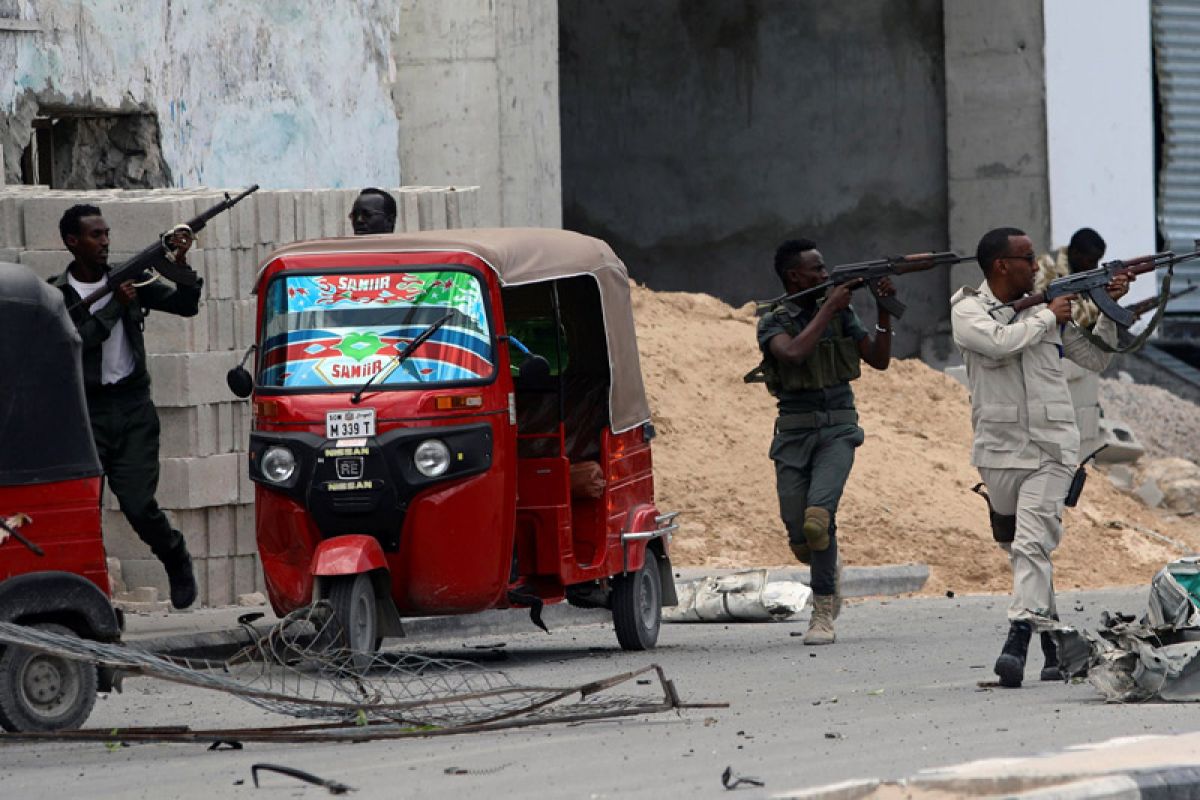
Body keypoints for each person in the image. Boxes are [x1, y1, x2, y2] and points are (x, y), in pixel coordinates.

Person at [950, 227, 1129, 687]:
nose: (1037, 266)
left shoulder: (1049, 315)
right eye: (1027, 259)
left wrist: (1110, 309)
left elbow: (1095, 359)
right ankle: (1054, 644)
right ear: (1000, 267)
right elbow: (998, 342)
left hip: (1052, 448)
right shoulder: (968, 310)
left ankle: (1017, 640)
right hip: (998, 450)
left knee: (1032, 545)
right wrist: (1048, 317)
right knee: (1021, 551)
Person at [50, 204, 202, 609]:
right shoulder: (56, 296)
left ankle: (175, 557)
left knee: (138, 504)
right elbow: (79, 342)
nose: (104, 242)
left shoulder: (130, 278)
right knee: (83, 511)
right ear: (71, 242)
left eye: (106, 234)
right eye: (94, 236)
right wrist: (117, 304)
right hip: (87, 413)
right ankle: (89, 594)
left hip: (133, 409)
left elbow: (186, 306)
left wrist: (181, 266)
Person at [751, 239, 895, 645]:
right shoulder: (773, 320)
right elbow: (793, 354)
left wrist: (884, 308)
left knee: (818, 521)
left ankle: (823, 611)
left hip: (838, 428)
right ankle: (828, 563)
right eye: (816, 270)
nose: (824, 275)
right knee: (802, 540)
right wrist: (829, 307)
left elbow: (879, 359)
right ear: (794, 276)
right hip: (794, 431)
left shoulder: (841, 313)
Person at [1035, 228, 1108, 456]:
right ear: (1075, 252)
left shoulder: (1083, 274)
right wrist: (1104, 306)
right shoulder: (1045, 267)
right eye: (1090, 260)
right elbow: (1064, 314)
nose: (1094, 266)